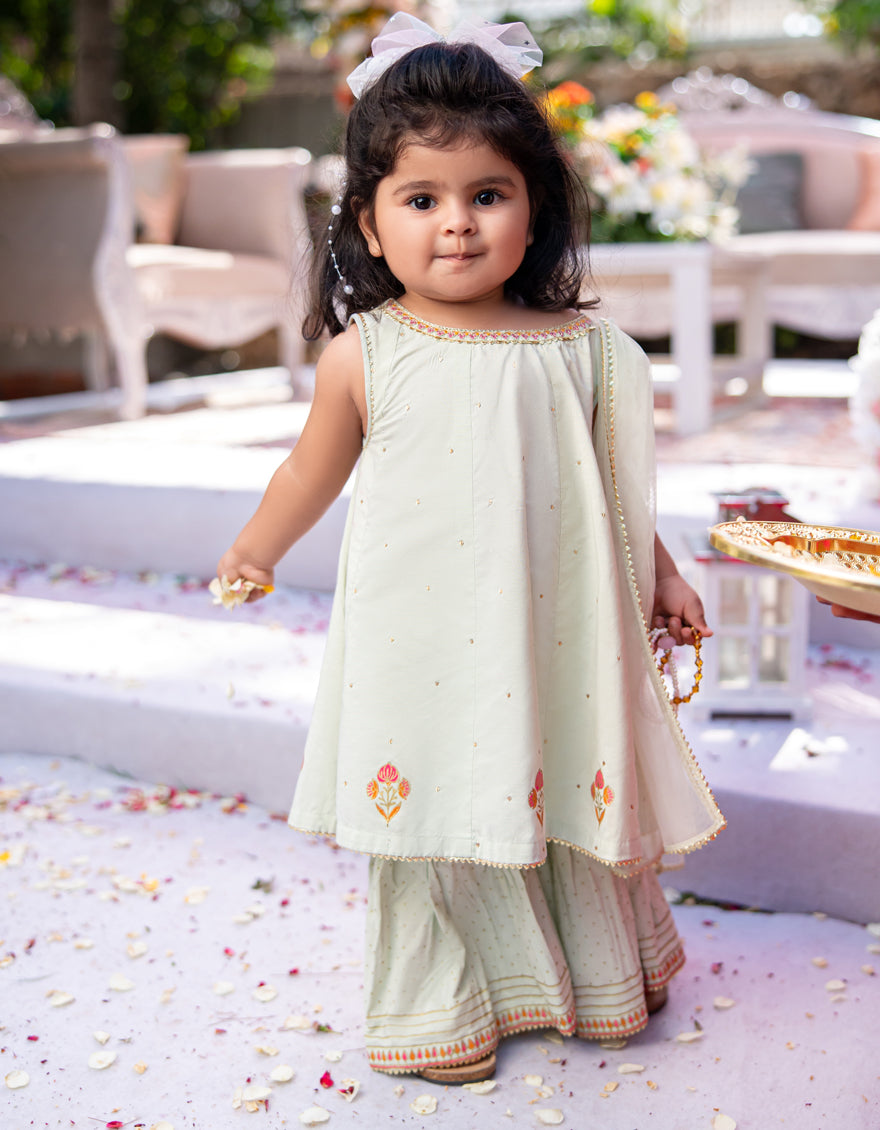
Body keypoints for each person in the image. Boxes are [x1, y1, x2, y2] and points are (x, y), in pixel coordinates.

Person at [216, 13, 724, 1085]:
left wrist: (666, 574)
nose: (456, 224)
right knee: (443, 795)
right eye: (422, 200)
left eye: (487, 194)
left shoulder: (580, 349)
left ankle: (598, 973)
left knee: (558, 774)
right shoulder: (368, 353)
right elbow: (309, 472)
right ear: (368, 224)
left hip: (552, 632)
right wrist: (257, 547)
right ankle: (441, 1002)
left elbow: (608, 491)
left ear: (535, 210)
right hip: (427, 645)